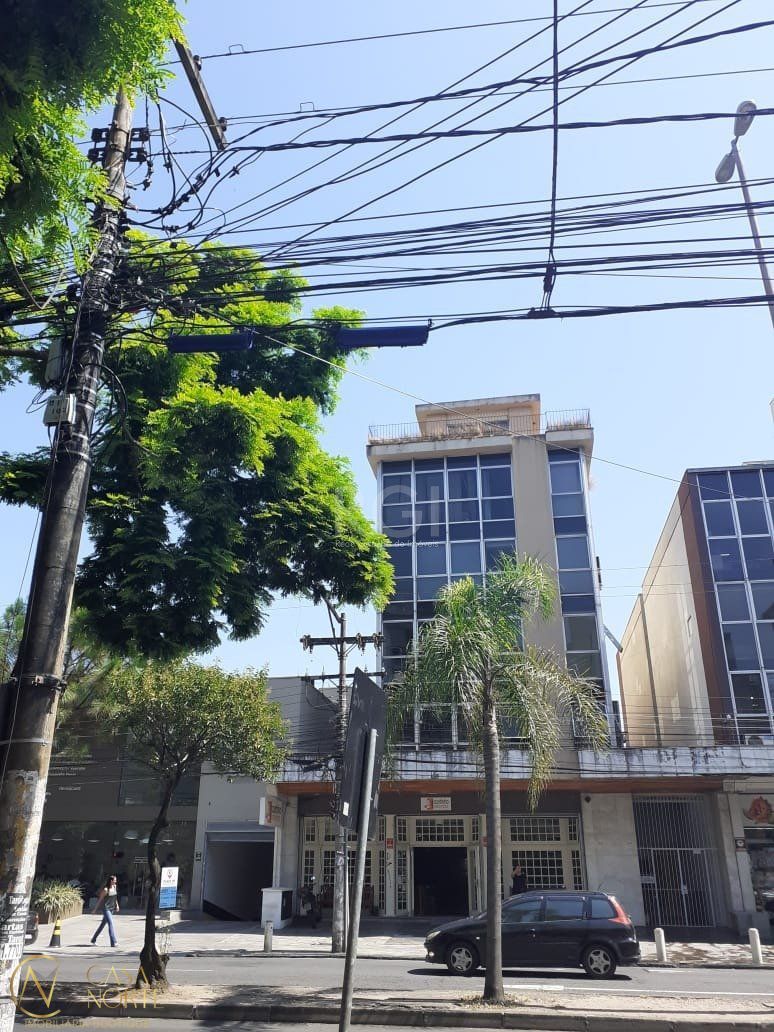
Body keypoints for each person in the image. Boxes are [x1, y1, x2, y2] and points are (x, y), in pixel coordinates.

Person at [91, 875, 120, 946]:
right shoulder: (106, 890)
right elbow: (100, 900)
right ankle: (113, 942)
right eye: (114, 880)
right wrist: (95, 909)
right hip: (106, 908)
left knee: (102, 925)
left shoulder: (114, 887)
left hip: (112, 908)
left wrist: (117, 905)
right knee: (110, 923)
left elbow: (115, 897)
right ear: (111, 881)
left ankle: (93, 939)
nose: (116, 881)